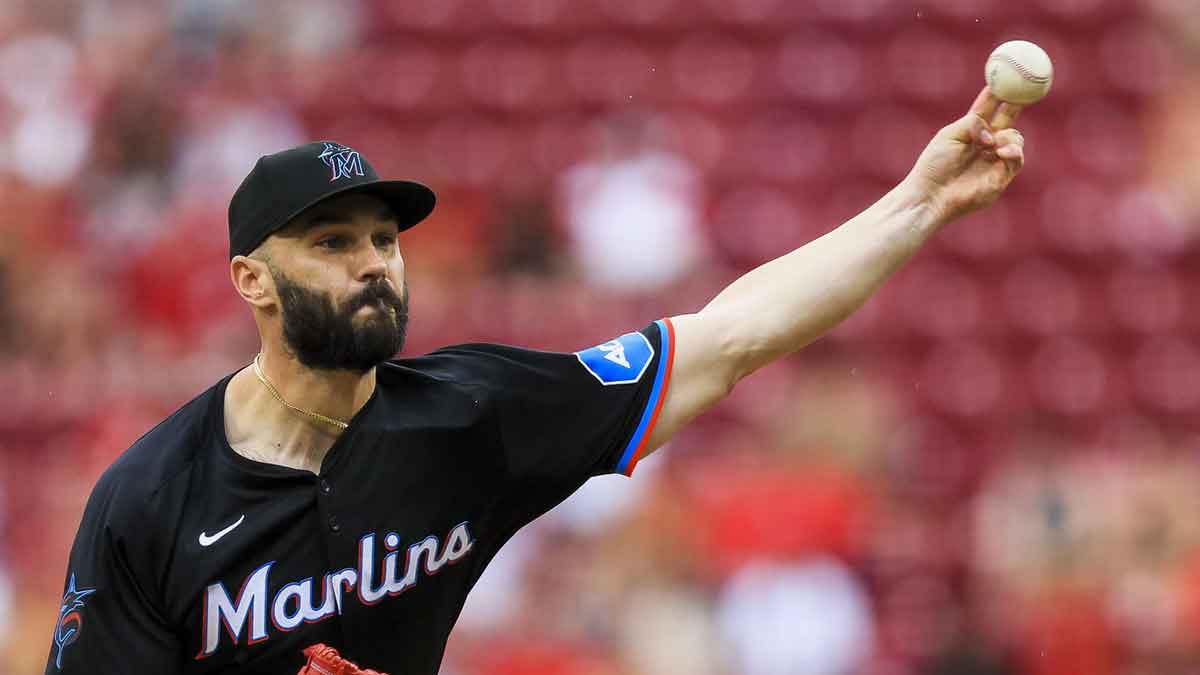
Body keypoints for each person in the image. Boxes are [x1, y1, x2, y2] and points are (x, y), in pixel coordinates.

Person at [45, 89, 1026, 674]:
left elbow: (727, 339)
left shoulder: (476, 416)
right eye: (333, 242)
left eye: (386, 239)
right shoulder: (149, 500)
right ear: (251, 280)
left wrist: (920, 202)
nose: (375, 263)